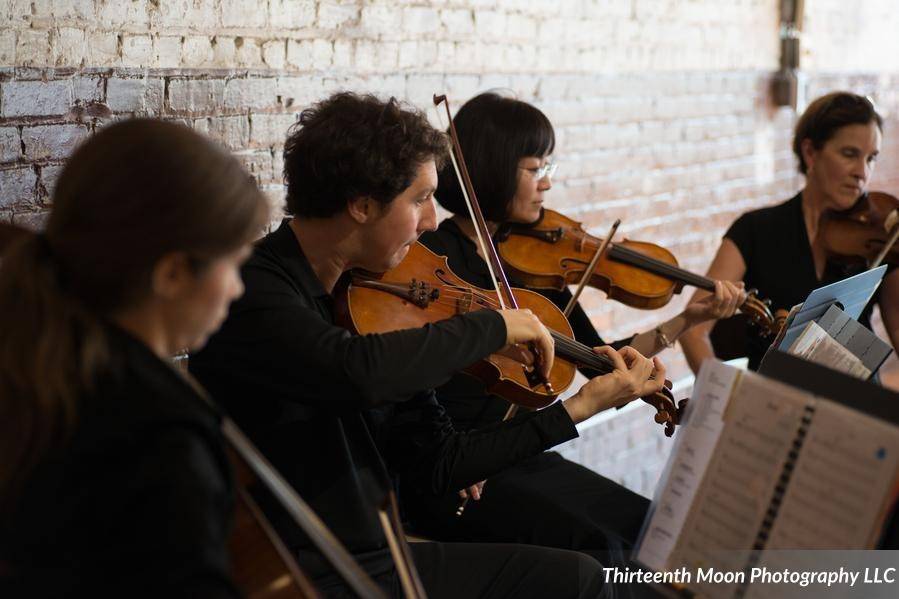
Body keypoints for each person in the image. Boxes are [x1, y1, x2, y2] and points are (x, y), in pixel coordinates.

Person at [189, 91, 668, 599]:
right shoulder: (254, 290)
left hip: (376, 549)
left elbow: (440, 462)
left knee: (600, 566)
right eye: (419, 199)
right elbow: (353, 372)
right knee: (580, 578)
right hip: (302, 564)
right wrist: (496, 326)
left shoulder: (368, 302)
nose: (432, 222)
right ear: (362, 205)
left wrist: (581, 406)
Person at [409, 91, 744, 566]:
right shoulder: (436, 261)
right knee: (602, 550)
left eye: (550, 168)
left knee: (647, 530)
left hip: (528, 450)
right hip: (467, 469)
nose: (546, 184)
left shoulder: (530, 263)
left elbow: (598, 357)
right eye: (535, 168)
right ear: (493, 167)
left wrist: (687, 319)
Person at [0, 119, 269, 597]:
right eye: (235, 265)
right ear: (171, 274)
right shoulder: (159, 437)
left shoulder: (42, 365)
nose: (238, 289)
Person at [680, 91, 899, 372]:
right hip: (773, 402)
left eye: (871, 158)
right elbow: (692, 329)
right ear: (810, 152)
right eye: (849, 154)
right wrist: (727, 396)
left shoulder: (880, 235)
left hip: (854, 400)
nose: (862, 172)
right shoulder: (754, 230)